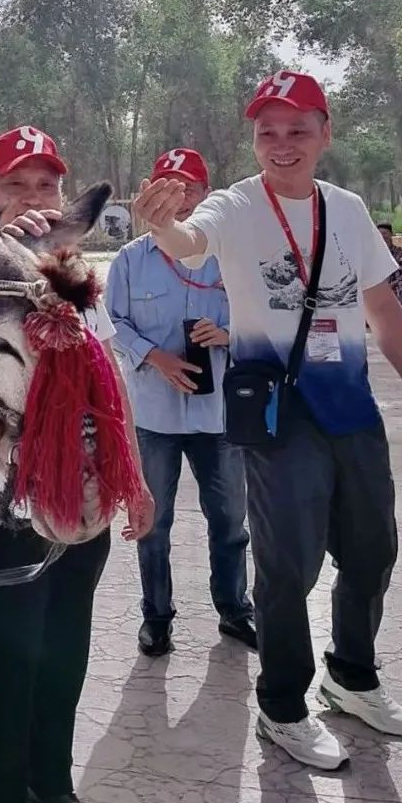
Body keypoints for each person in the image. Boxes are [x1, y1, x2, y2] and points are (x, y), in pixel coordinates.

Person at [133, 70, 402, 771]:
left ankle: (351, 676)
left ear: (324, 133)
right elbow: (187, 240)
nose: (281, 144)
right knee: (288, 567)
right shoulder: (235, 204)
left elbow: (382, 306)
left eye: (297, 129)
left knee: (371, 551)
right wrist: (162, 224)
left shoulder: (348, 209)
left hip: (350, 407)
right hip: (277, 415)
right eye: (266, 132)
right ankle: (281, 706)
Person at [0, 125, 154, 803]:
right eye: (15, 185)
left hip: (83, 499)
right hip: (3, 504)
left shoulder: (77, 278)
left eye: (46, 185)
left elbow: (112, 383)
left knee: (65, 647)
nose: (33, 198)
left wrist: (135, 480)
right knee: (12, 651)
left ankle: (49, 786)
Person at [105, 148, 254, 658]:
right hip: (154, 416)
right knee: (153, 523)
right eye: (168, 187)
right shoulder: (131, 260)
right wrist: (156, 357)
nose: (180, 197)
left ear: (207, 194)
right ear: (149, 194)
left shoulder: (232, 256)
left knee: (230, 522)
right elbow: (113, 324)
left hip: (219, 417)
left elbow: (267, 319)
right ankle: (156, 617)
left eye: (190, 187)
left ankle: (235, 610)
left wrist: (229, 333)